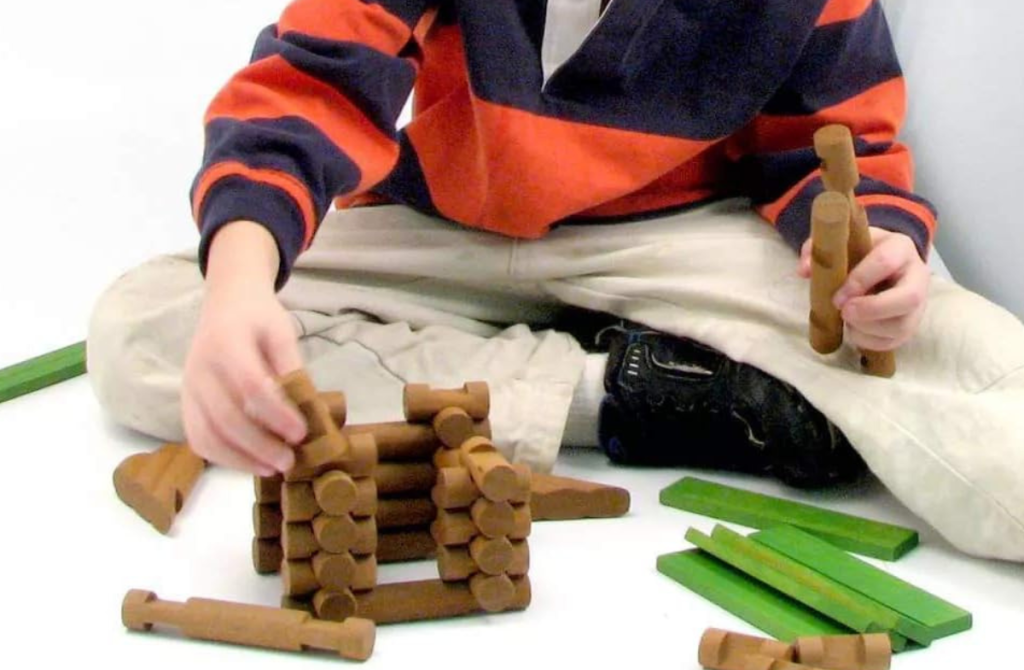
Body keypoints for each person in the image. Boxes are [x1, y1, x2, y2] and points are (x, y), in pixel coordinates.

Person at [88, 0, 1024, 561]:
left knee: (976, 367)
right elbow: (312, 84)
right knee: (148, 325)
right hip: (446, 225)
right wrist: (244, 287)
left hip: (678, 234)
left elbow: (838, 149)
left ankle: (563, 371)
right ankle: (626, 393)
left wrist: (878, 250)